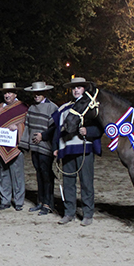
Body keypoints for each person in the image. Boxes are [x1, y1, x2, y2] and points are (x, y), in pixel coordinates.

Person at [52, 77, 102, 226]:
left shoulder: (90, 107)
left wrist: (89, 130)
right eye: (74, 88)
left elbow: (100, 128)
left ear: (84, 90)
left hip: (84, 148)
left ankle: (87, 214)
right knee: (68, 182)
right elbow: (57, 129)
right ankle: (69, 212)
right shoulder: (64, 108)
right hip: (67, 149)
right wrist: (56, 147)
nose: (75, 90)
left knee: (86, 182)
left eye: (79, 88)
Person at [20, 81, 58, 215]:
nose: (36, 95)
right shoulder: (31, 108)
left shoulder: (52, 107)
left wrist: (43, 136)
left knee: (46, 175)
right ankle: (40, 202)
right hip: (35, 147)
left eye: (39, 93)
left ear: (45, 93)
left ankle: (48, 204)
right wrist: (25, 144)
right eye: (34, 93)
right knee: (39, 174)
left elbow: (55, 128)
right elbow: (28, 126)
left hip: (46, 146)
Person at [0, 82, 29, 211]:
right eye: (5, 93)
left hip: (16, 146)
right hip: (1, 145)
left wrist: (18, 127)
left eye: (10, 93)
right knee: (3, 174)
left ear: (15, 94)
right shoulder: (0, 107)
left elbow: (27, 123)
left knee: (17, 174)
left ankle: (19, 201)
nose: (7, 95)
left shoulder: (23, 107)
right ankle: (5, 200)